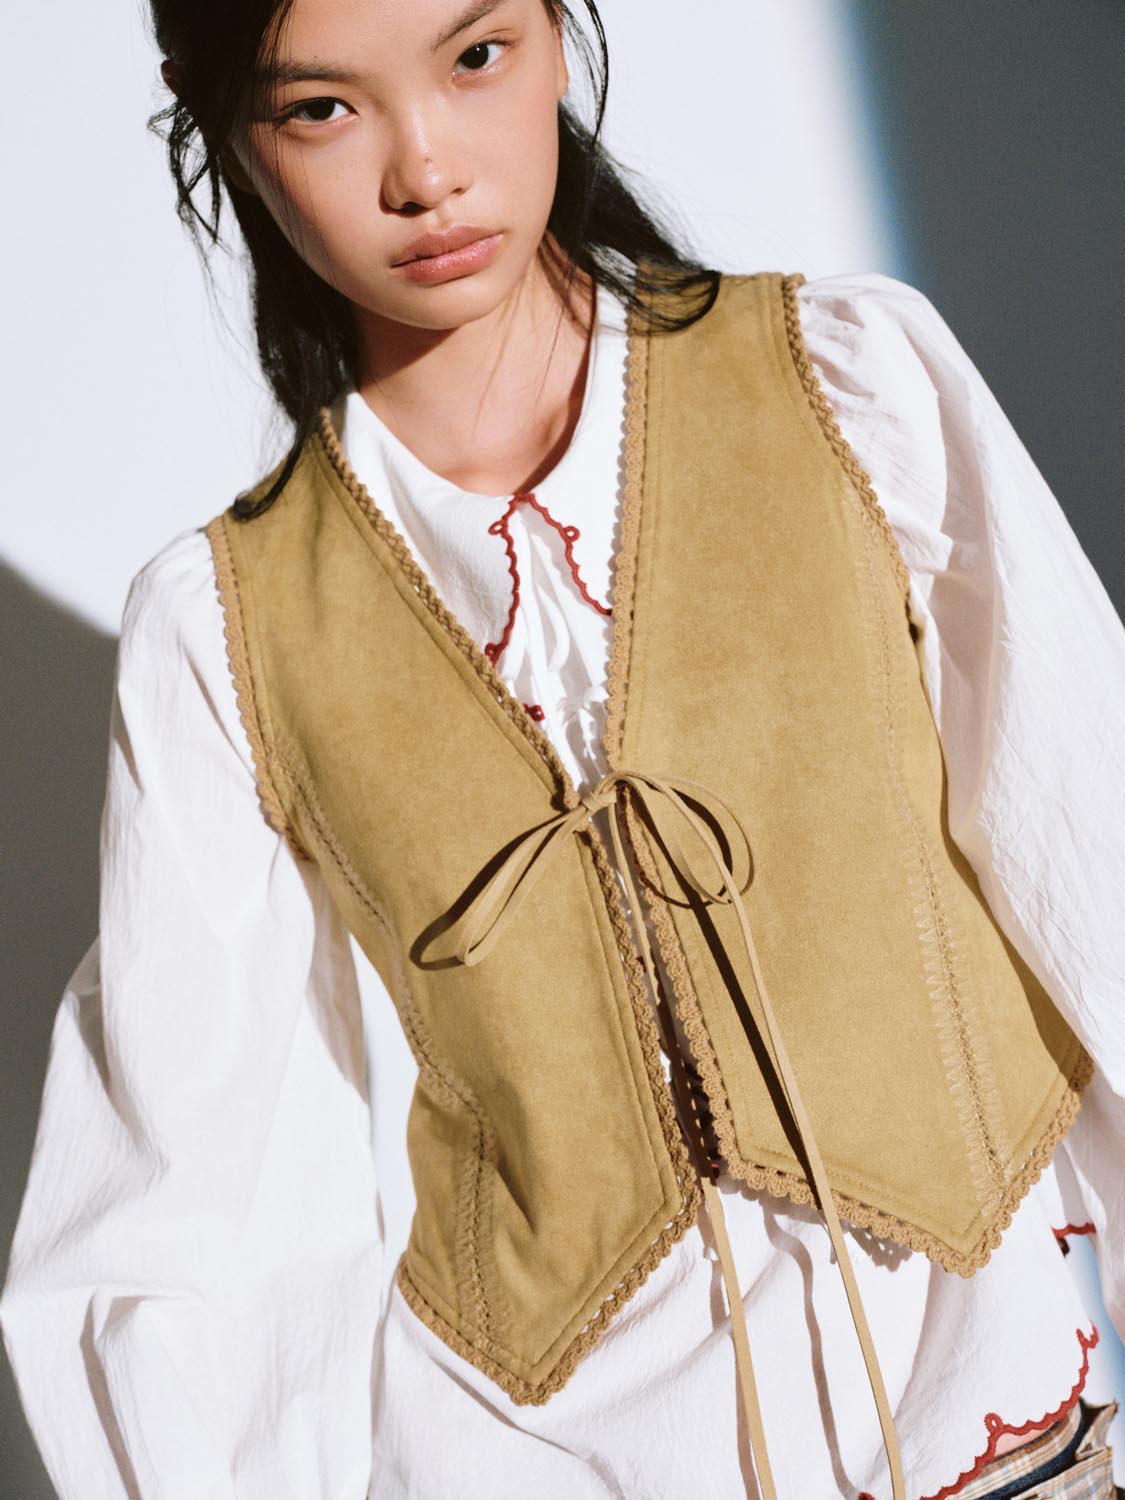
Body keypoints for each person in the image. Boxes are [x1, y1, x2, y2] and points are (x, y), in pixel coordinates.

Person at [2, 1, 1123, 1496]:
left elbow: (1086, 847)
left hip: (1004, 1426)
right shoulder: (225, 629)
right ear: (226, 129)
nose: (425, 171)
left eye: (476, 58)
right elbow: (194, 1186)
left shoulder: (848, 385)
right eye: (322, 107)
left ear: (553, 32)